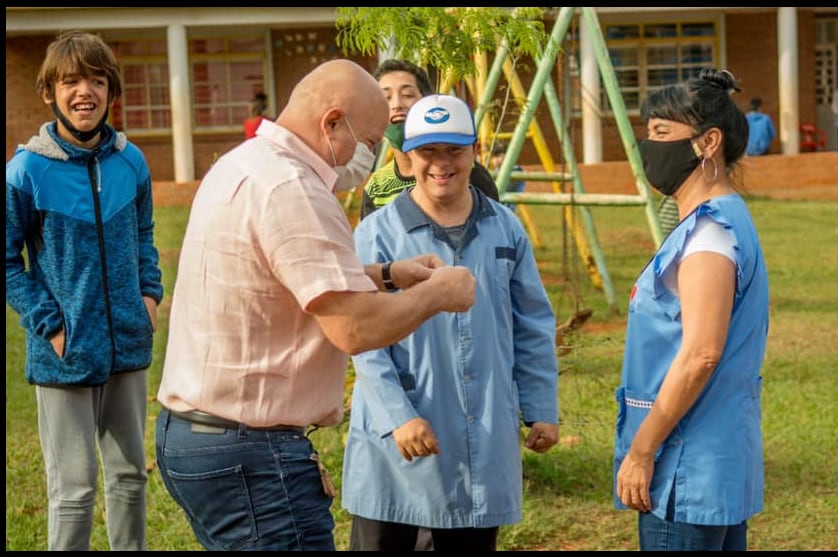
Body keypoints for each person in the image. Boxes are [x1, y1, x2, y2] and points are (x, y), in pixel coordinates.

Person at [154, 59, 477, 551]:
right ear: (332, 123)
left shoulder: (242, 164)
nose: (369, 156)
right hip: (252, 452)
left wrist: (388, 275)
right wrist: (437, 294)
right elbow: (353, 327)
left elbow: (282, 278)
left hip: (201, 437)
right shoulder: (295, 189)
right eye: (368, 142)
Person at [342, 94, 561, 551]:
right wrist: (398, 417)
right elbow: (362, 338)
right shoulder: (377, 233)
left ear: (475, 152)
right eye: (428, 152)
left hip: (481, 432)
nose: (441, 165)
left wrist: (541, 406)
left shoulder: (505, 228)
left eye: (454, 152)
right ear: (408, 156)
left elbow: (532, 323)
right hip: (397, 442)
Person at [5, 30, 163, 551]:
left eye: (97, 80)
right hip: (64, 352)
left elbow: (143, 234)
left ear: (111, 91)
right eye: (71, 81)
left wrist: (148, 294)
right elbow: (7, 262)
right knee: (73, 490)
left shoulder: (130, 161)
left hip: (126, 343)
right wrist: (48, 323)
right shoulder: (27, 170)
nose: (85, 92)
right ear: (50, 92)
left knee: (130, 478)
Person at [613, 68, 769, 551]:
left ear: (708, 143)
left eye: (661, 133)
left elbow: (701, 353)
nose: (648, 146)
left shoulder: (708, 235)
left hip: (684, 468)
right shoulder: (726, 219)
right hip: (714, 462)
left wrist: (642, 449)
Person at [359, 59, 499, 221]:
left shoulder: (464, 173)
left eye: (407, 95)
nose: (397, 105)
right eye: (386, 97)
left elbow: (493, 233)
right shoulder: (377, 186)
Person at [487, 140, 526, 212]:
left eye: (498, 156)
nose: (495, 160)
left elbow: (505, 188)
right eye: (494, 157)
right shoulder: (494, 172)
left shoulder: (516, 171)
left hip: (506, 210)